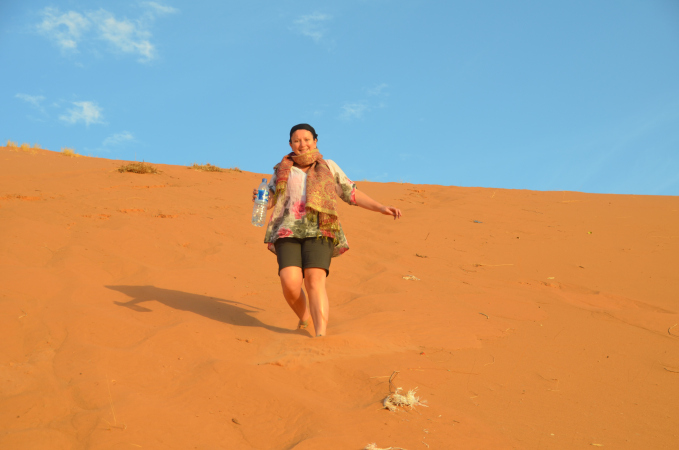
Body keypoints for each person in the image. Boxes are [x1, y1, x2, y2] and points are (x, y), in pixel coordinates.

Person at [252, 124, 402, 337]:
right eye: (296, 140)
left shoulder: (328, 166)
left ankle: (320, 336)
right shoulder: (282, 169)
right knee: (289, 281)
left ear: (315, 141)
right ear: (290, 144)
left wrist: (380, 207)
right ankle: (305, 317)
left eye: (306, 139)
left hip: (321, 228)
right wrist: (261, 199)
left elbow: (351, 193)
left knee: (314, 279)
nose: (301, 144)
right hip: (287, 230)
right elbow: (271, 199)